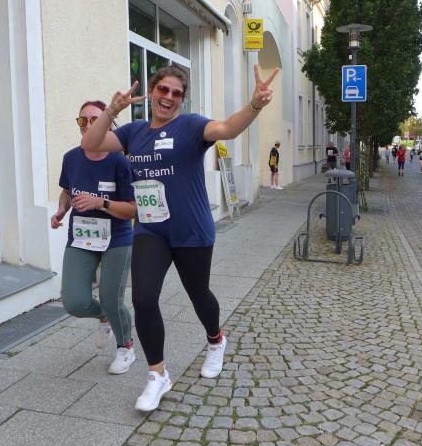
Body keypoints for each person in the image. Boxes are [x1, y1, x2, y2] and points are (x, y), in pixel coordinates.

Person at [82, 64, 279, 412]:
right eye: (163, 89)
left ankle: (216, 340)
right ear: (153, 91)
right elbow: (90, 142)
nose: (168, 97)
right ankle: (157, 375)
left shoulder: (190, 126)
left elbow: (228, 128)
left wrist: (255, 105)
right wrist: (112, 110)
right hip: (151, 229)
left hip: (191, 230)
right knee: (143, 299)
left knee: (198, 294)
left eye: (176, 93)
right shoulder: (134, 132)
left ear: (182, 100)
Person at [50, 101, 136, 373]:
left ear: (108, 124)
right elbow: (67, 190)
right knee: (74, 302)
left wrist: (101, 202)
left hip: (116, 238)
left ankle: (125, 347)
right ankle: (104, 317)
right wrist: (62, 209)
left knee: (112, 298)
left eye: (94, 120)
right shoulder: (71, 158)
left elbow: (133, 209)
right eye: (82, 120)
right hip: (81, 236)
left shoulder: (119, 161)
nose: (87, 125)